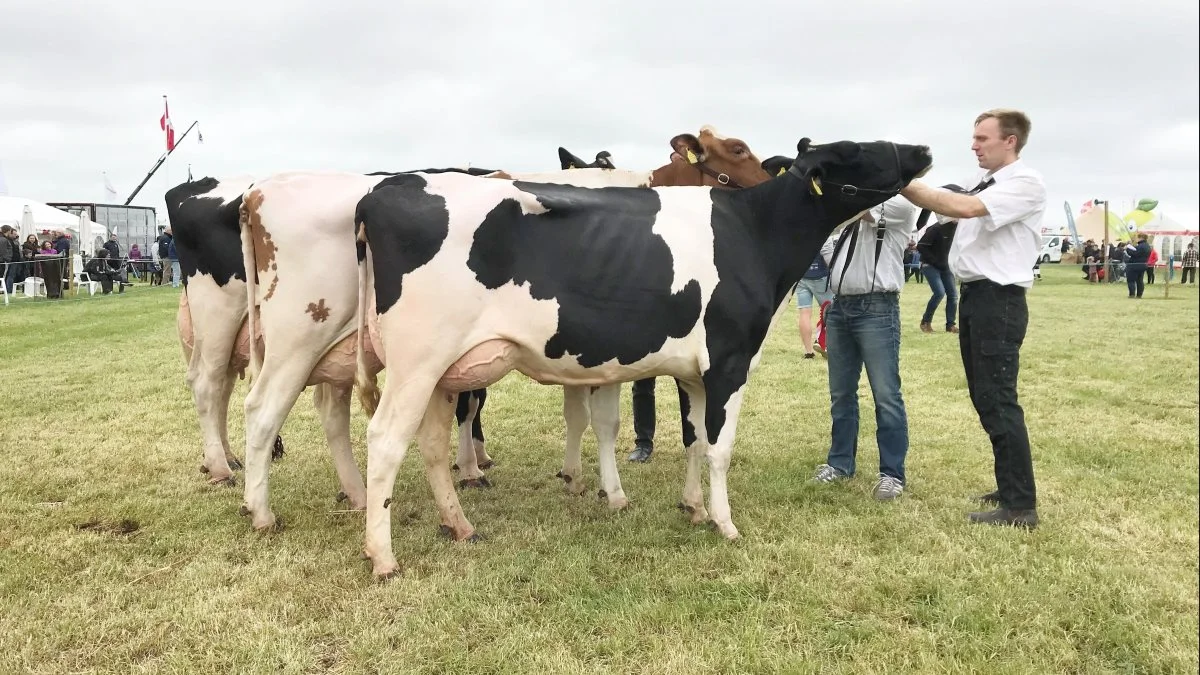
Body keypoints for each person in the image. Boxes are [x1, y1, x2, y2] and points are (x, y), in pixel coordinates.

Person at [900, 107, 1045, 529]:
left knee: (999, 400)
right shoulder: (987, 183)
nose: (974, 145)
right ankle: (1010, 488)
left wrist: (900, 179)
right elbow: (946, 204)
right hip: (979, 298)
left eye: (983, 138)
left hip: (998, 301)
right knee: (986, 399)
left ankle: (1020, 506)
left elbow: (960, 207)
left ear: (1010, 140)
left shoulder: (1024, 183)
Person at [811, 194, 916, 501]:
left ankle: (892, 474)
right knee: (841, 393)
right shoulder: (850, 224)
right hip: (842, 306)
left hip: (878, 307)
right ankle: (840, 464)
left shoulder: (900, 204)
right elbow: (831, 247)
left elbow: (851, 208)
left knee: (886, 394)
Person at [915, 220, 958, 333]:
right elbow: (920, 246)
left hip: (946, 266)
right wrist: (936, 261)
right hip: (930, 265)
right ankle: (925, 322)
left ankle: (950, 325)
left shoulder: (958, 229)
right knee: (939, 292)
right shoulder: (936, 228)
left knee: (953, 295)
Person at [795, 249, 835, 359]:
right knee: (830, 312)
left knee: (804, 313)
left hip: (802, 275)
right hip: (820, 275)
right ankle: (824, 343)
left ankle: (808, 352)